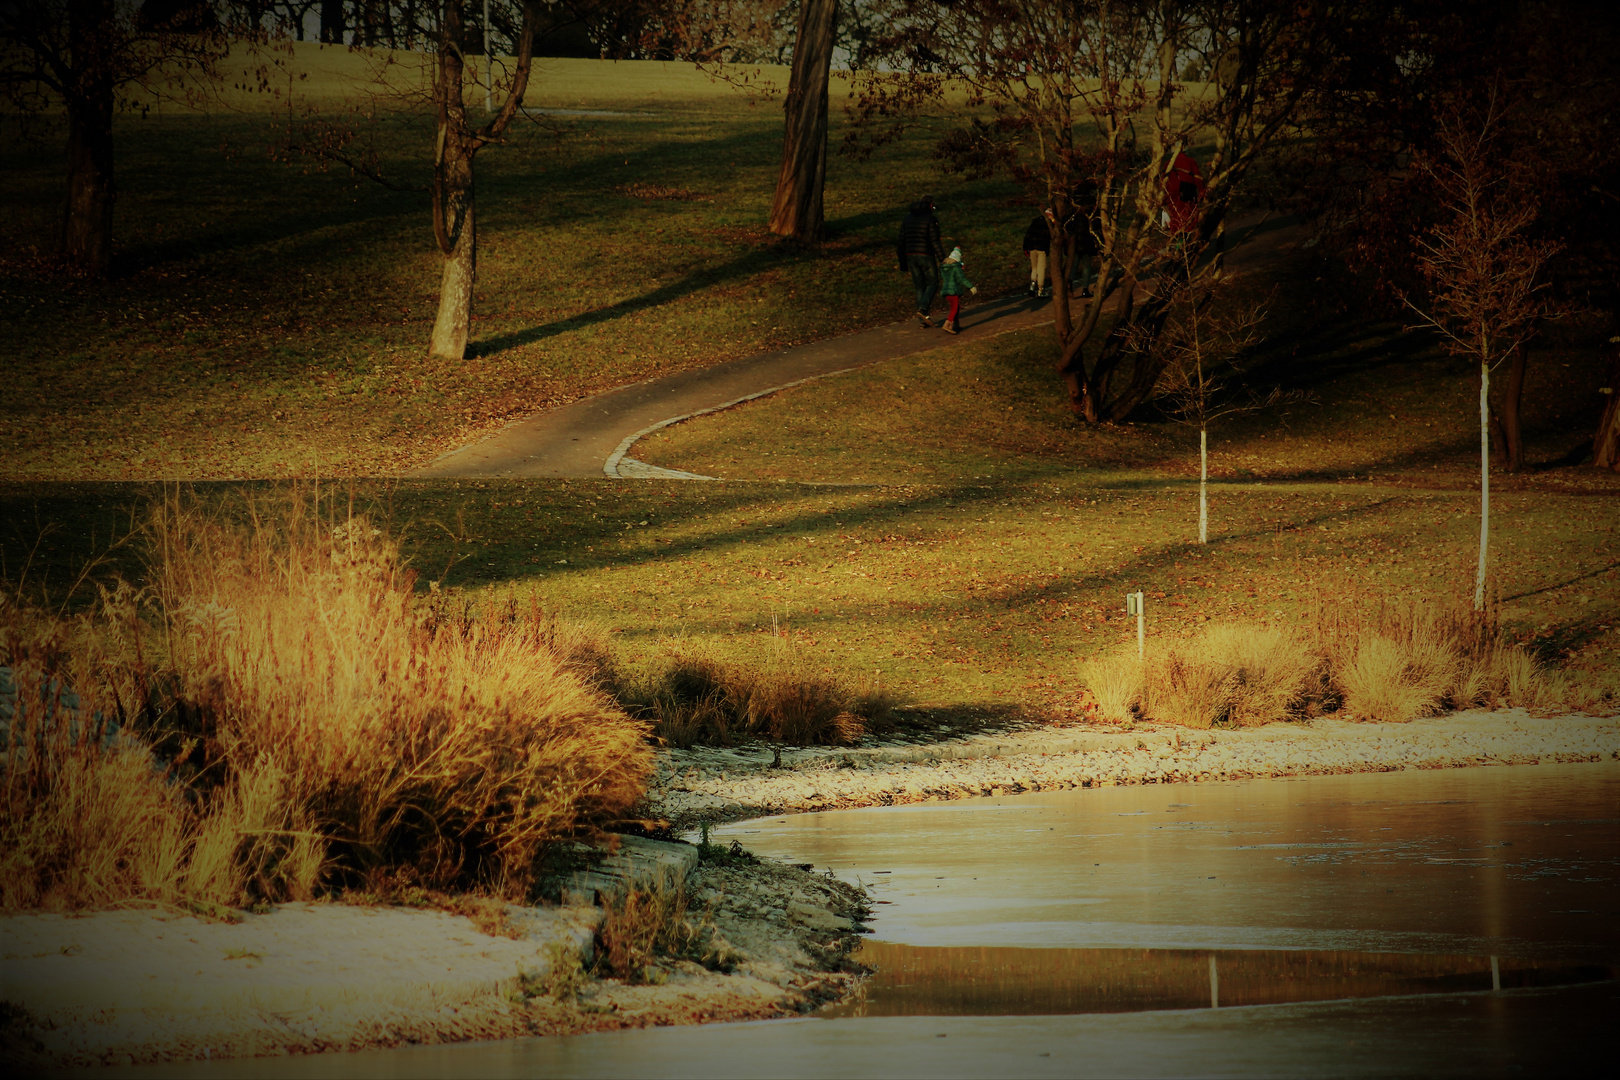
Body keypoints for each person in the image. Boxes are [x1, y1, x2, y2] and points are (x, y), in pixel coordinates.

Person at [897, 196, 946, 327]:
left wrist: (902, 261)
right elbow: (935, 241)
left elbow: (901, 241)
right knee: (933, 283)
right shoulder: (931, 219)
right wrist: (943, 258)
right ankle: (923, 309)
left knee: (919, 287)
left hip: (910, 255)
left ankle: (923, 320)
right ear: (930, 206)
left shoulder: (907, 219)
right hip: (926, 255)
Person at [1163, 151, 1206, 239]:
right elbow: (1198, 180)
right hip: (1188, 196)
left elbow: (1163, 183)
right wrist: (1202, 194)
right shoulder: (1190, 161)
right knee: (1189, 222)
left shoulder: (1168, 163)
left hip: (1173, 198)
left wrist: (1164, 200)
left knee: (1176, 223)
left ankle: (1178, 245)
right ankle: (1189, 245)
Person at [938, 247, 978, 334]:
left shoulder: (944, 268)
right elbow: (961, 279)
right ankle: (947, 323)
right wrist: (970, 287)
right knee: (955, 308)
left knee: (955, 307)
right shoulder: (956, 268)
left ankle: (955, 325)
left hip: (946, 291)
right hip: (954, 291)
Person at [1022, 214, 1050, 297]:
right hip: (1041, 248)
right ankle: (1040, 289)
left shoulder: (1035, 222)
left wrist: (1025, 247)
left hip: (1032, 247)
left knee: (1034, 268)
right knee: (1041, 269)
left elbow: (1028, 235)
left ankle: (1032, 286)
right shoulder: (1047, 224)